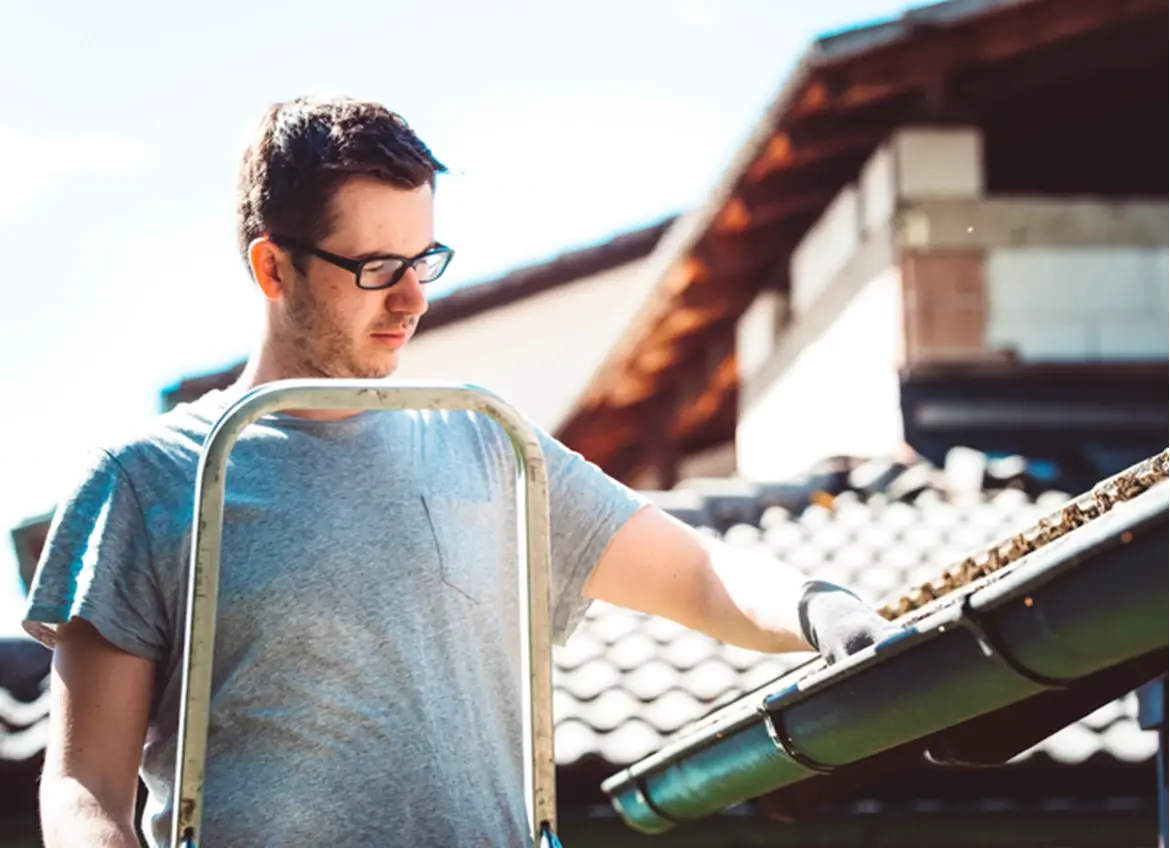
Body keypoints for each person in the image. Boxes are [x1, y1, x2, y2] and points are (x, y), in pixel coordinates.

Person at [22, 95, 898, 848]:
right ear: (271, 266)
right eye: (374, 269)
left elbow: (699, 573)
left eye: (424, 261)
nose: (412, 298)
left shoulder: (488, 447)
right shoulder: (154, 480)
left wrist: (822, 609)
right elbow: (85, 787)